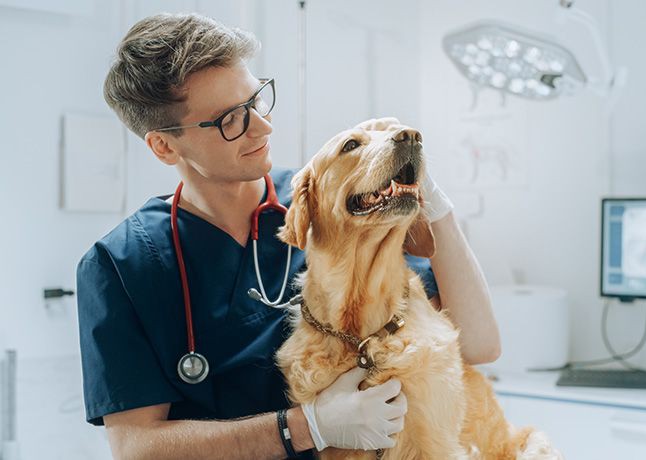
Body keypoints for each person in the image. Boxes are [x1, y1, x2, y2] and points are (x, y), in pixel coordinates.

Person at [76, 12, 500, 460]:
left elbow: (479, 343)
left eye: (256, 100)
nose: (262, 127)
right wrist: (304, 426)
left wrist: (433, 203)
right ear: (165, 145)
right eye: (229, 121)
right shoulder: (120, 267)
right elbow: (136, 446)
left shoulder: (327, 205)